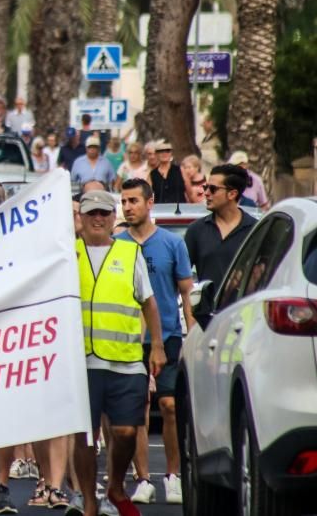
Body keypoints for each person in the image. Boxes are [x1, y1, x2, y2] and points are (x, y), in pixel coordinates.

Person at [71, 190, 166, 516]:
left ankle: (115, 485)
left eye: (104, 213)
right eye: (91, 213)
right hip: (80, 361)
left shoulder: (129, 252)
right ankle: (89, 501)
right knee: (84, 435)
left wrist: (156, 346)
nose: (98, 219)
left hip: (125, 359)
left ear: (114, 218)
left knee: (126, 431)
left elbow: (149, 302)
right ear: (80, 218)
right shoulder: (68, 254)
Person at [116, 179, 194, 505]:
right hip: (129, 340)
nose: (128, 207)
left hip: (169, 337)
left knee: (170, 406)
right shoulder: (116, 244)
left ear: (149, 203)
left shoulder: (171, 244)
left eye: (133, 200)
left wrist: (193, 334)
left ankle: (173, 476)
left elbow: (187, 291)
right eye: (123, 201)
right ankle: (143, 478)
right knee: (137, 412)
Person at [184, 164, 259, 291]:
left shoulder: (255, 230)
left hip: (243, 309)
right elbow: (182, 278)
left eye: (212, 189)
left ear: (232, 194)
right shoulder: (195, 230)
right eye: (206, 187)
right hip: (206, 310)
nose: (206, 193)